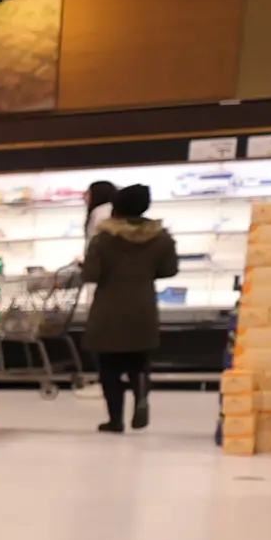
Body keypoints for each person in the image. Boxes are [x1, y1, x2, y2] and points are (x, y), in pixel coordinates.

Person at [79, 182, 178, 432]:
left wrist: (83, 266)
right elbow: (169, 270)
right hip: (143, 308)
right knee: (140, 362)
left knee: (109, 367)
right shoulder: (161, 237)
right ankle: (142, 398)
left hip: (108, 310)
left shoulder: (104, 238)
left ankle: (115, 420)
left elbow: (91, 274)